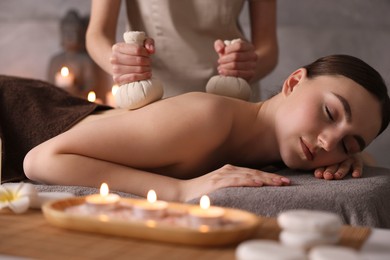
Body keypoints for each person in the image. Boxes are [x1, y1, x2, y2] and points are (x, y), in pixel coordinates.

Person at [16, 54, 389, 202]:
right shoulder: (208, 116)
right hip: (17, 115)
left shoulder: (285, 152)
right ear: (292, 82)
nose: (328, 142)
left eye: (347, 143)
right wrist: (179, 190)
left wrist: (351, 160)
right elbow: (43, 159)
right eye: (329, 112)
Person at [85, 0, 278, 99]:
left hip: (232, 99)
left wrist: (249, 64)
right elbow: (97, 34)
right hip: (153, 100)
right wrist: (118, 61)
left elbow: (268, 48)